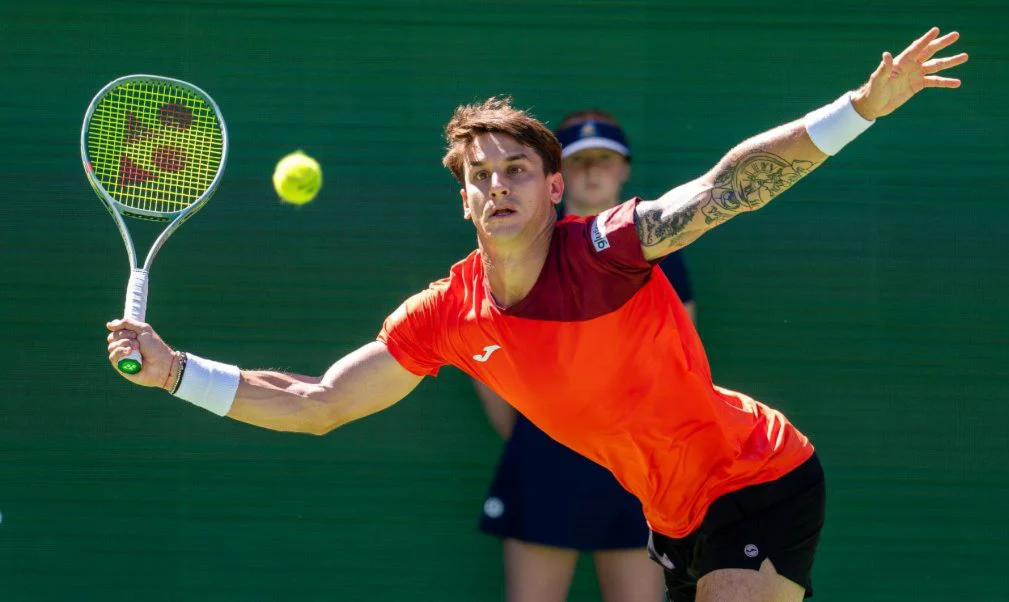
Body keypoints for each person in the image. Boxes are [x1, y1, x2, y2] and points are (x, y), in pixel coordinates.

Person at [105, 29, 966, 602]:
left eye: (514, 169)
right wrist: (176, 372)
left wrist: (859, 108)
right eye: (478, 176)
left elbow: (727, 188)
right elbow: (319, 403)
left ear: (553, 188)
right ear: (464, 202)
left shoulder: (609, 248)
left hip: (758, 477)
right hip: (669, 516)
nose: (496, 185)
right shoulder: (445, 312)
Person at [474, 109, 693, 602]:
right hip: (545, 462)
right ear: (556, 178)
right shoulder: (527, 249)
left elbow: (679, 359)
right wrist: (539, 431)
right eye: (580, 162)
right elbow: (485, 356)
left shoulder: (657, 247)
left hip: (636, 465)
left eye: (604, 160)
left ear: (624, 169)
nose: (593, 172)